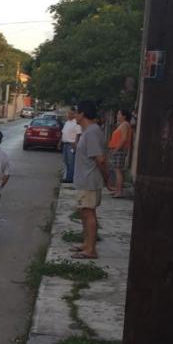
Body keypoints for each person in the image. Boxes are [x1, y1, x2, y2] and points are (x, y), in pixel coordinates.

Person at [71, 100, 110, 259]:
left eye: (77, 112)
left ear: (82, 114)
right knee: (84, 212)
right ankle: (87, 244)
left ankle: (91, 249)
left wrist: (107, 179)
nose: (74, 115)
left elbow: (100, 159)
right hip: (84, 180)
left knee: (88, 213)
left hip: (89, 181)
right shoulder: (88, 131)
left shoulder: (92, 132)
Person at [108, 109, 133, 197]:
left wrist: (116, 149)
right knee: (116, 171)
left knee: (118, 171)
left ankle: (119, 192)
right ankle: (117, 190)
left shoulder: (125, 124)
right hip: (118, 149)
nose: (117, 115)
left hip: (120, 150)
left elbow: (124, 138)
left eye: (119, 114)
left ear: (124, 116)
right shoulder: (121, 125)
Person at [60, 108, 83, 183]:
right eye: (68, 113)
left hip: (71, 145)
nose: (69, 115)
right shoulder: (67, 122)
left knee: (71, 162)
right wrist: (59, 142)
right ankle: (67, 176)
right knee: (66, 161)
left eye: (71, 113)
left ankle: (70, 179)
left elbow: (78, 134)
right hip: (65, 144)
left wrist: (76, 144)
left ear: (74, 114)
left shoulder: (76, 123)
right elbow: (63, 133)